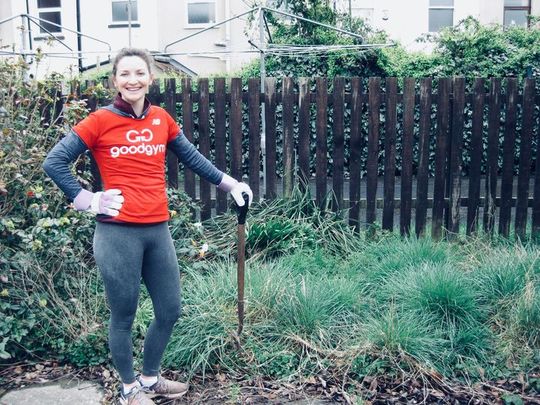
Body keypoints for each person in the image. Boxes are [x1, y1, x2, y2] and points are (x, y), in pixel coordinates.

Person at [43, 47, 253, 405]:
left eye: (139, 73)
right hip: (117, 233)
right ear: (115, 81)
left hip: (158, 230)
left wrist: (230, 184)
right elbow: (55, 162)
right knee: (123, 315)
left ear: (151, 78)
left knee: (170, 309)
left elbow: (191, 157)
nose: (132, 80)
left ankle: (150, 378)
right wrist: (87, 200)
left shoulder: (161, 119)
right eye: (125, 74)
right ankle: (128, 390)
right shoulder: (99, 121)